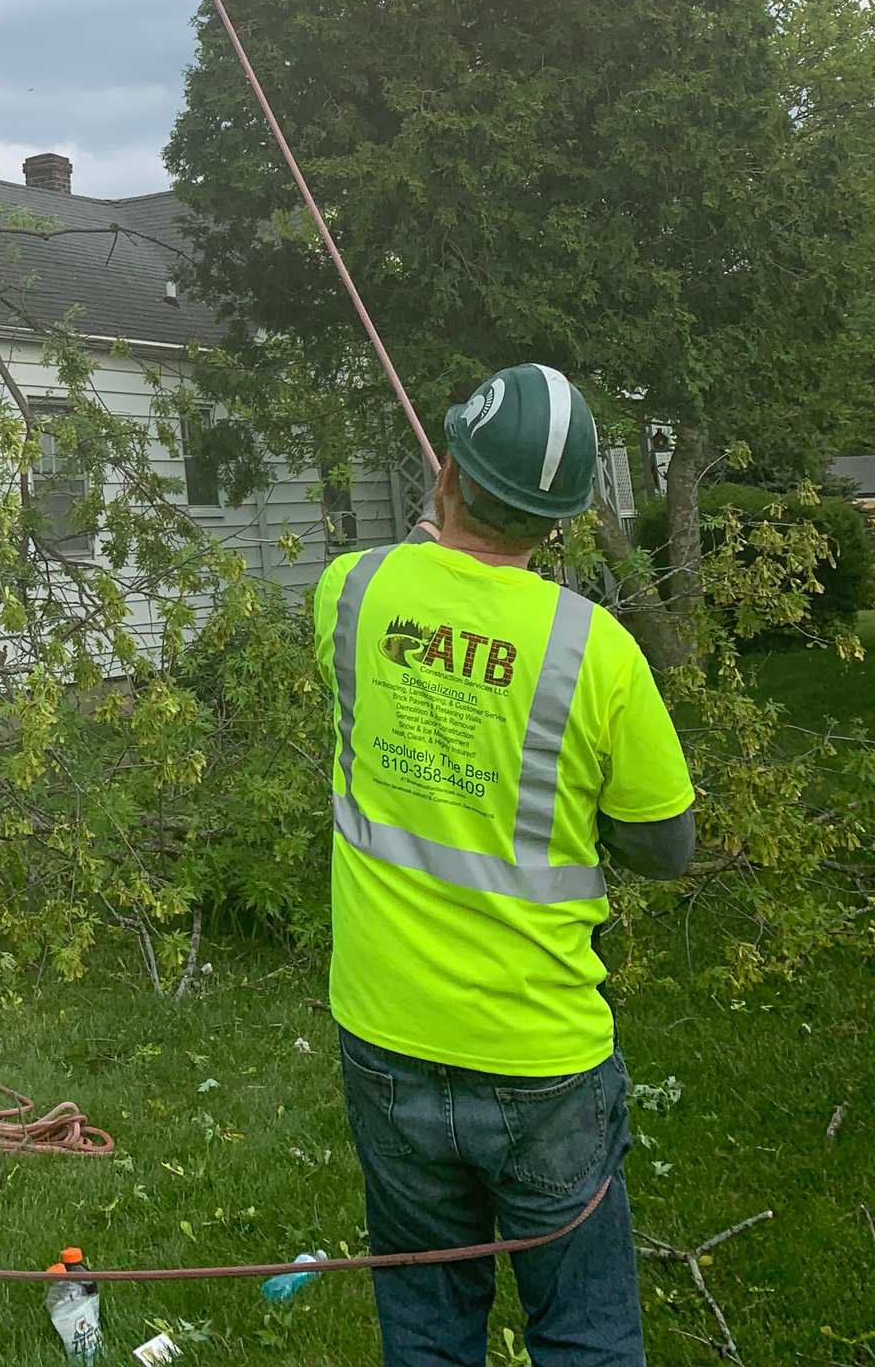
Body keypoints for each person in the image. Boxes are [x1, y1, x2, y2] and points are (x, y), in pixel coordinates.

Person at [311, 363, 696, 1367]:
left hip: (387, 1033)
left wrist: (438, 539)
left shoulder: (352, 592)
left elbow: (414, 622)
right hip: (542, 1061)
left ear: (444, 469)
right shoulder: (595, 651)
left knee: (430, 1323)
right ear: (563, 519)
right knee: (583, 1329)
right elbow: (666, 847)